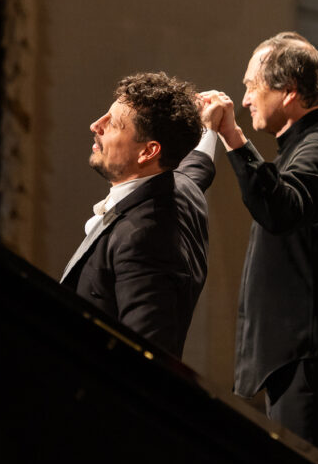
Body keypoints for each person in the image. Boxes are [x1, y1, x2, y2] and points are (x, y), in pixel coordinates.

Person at [200, 32, 318, 461]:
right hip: (302, 361)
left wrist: (232, 136)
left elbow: (281, 209)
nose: (245, 99)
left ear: (290, 90)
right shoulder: (305, 147)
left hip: (311, 363)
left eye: (252, 86)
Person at [61, 72, 215, 360]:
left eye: (112, 124)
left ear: (148, 151)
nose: (96, 125)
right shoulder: (183, 188)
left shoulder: (144, 239)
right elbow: (197, 168)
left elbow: (147, 352)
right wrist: (210, 127)